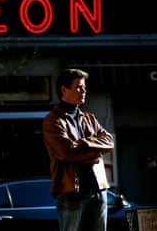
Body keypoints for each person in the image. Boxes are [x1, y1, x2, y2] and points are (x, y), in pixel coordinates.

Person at [43, 69, 115, 231]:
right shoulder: (53, 120)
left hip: (98, 189)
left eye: (84, 87)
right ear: (63, 89)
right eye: (78, 87)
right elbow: (66, 152)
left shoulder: (89, 118)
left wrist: (85, 143)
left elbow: (109, 142)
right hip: (71, 192)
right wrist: (96, 153)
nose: (84, 91)